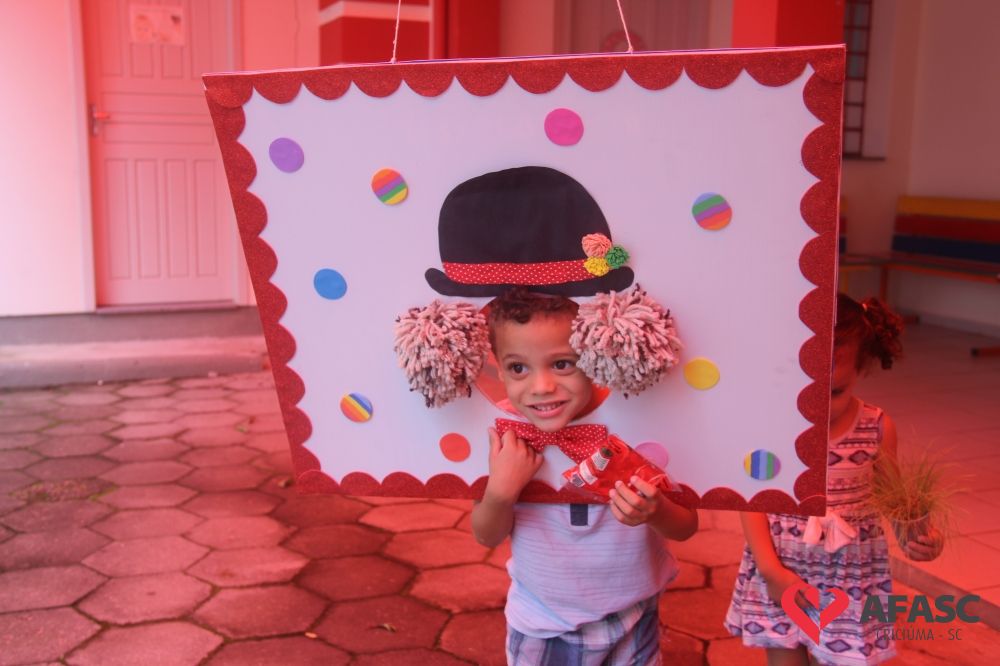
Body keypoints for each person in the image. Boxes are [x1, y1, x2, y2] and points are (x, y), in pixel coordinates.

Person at [470, 287, 699, 666]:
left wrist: (655, 511)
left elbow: (686, 526)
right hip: (545, 625)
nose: (541, 387)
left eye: (562, 363)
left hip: (634, 615)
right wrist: (501, 493)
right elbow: (486, 535)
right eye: (518, 368)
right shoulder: (505, 433)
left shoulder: (638, 421)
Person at [725, 293, 944, 665]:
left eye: (835, 391)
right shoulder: (770, 426)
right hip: (782, 566)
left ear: (862, 370)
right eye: (805, 388)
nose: (818, 407)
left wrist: (918, 538)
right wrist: (770, 571)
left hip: (850, 577)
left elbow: (894, 501)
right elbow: (753, 499)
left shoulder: (876, 428)